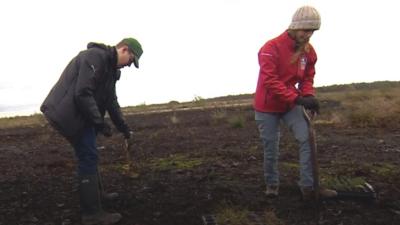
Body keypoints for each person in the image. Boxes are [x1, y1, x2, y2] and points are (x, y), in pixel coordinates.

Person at [41, 37, 143, 224]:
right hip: (67, 113)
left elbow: (112, 102)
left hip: (80, 114)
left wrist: (124, 129)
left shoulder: (111, 71)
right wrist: (98, 122)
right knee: (88, 156)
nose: (128, 66)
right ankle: (92, 214)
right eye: (130, 61)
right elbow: (82, 92)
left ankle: (97, 196)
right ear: (124, 50)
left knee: (90, 153)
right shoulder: (94, 57)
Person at [253, 6, 336, 200]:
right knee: (271, 146)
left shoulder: (309, 52)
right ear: (294, 26)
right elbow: (270, 81)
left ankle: (308, 187)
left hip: (290, 104)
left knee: (307, 138)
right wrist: (297, 98)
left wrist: (308, 96)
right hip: (267, 107)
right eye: (305, 30)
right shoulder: (270, 48)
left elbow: (308, 77)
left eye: (312, 31)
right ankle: (272, 184)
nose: (308, 35)